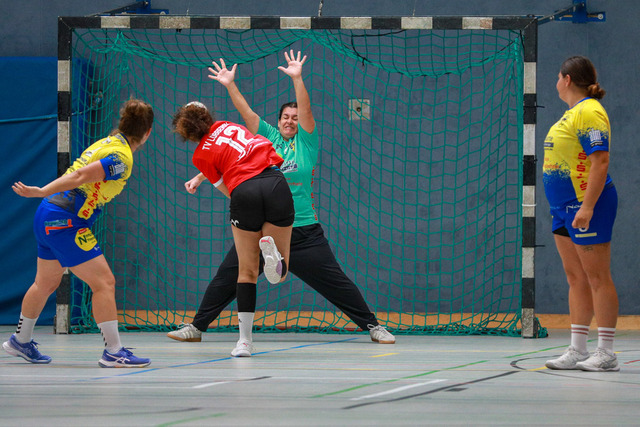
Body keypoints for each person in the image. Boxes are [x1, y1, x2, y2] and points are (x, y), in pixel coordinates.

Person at [168, 50, 395, 350]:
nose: (290, 121)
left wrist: (297, 78)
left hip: (302, 229)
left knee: (336, 282)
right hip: (264, 227)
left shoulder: (307, 142)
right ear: (277, 121)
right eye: (285, 117)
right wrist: (230, 85)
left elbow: (305, 111)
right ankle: (197, 326)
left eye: (295, 118)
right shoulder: (267, 138)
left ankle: (373, 326)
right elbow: (244, 122)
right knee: (229, 276)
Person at [4, 99, 154, 368]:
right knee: (104, 283)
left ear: (122, 124)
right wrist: (42, 190)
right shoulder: (121, 157)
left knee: (45, 283)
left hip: (48, 214)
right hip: (64, 220)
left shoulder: (107, 142)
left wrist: (44, 196)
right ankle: (113, 352)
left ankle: (20, 340)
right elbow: (80, 176)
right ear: (147, 133)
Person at [172, 101, 294, 357]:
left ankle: (244, 342)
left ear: (187, 135)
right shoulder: (228, 125)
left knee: (246, 271)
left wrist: (246, 205)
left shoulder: (199, 156)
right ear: (208, 118)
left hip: (244, 190)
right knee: (280, 273)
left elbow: (227, 189)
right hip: (275, 182)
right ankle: (272, 254)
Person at [542, 56, 619, 372]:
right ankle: (578, 348)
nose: (556, 83)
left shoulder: (589, 111)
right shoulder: (572, 113)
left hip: (585, 205)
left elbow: (600, 160)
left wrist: (587, 207)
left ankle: (607, 353)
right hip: (563, 209)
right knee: (576, 278)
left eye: (558, 77)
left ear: (567, 79)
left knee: (597, 277)